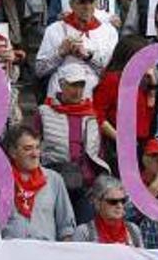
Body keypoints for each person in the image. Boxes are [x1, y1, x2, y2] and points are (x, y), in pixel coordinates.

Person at [36, 62, 108, 222]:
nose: (78, 91)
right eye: (73, 85)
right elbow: (36, 145)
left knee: (85, 231)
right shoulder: (44, 112)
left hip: (86, 184)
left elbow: (99, 151)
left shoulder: (91, 114)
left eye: (81, 85)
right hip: (55, 181)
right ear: (61, 85)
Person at [35, 0, 119, 96]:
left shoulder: (109, 31)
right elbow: (40, 70)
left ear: (96, 3)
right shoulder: (55, 29)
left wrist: (89, 56)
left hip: (94, 96)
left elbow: (112, 73)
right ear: (71, 4)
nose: (87, 6)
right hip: (61, 96)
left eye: (91, 1)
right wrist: (60, 53)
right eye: (82, 2)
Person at [2, 125, 76, 241]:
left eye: (37, 148)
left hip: (46, 254)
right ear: (13, 152)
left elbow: (66, 228)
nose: (35, 154)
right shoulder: (0, 180)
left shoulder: (54, 180)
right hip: (10, 254)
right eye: (28, 148)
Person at [71, 176, 143, 245]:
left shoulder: (133, 231)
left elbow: (140, 257)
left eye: (123, 201)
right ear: (98, 202)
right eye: (113, 201)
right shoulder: (84, 233)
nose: (120, 206)